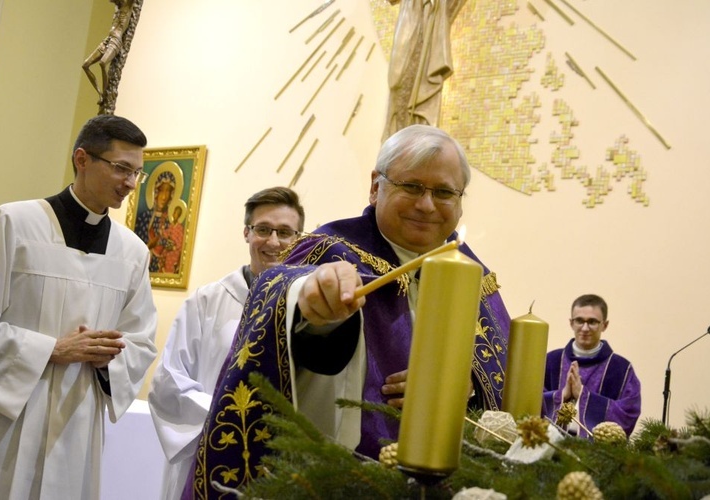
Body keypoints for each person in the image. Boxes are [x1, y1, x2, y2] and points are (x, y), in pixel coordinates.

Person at [184, 124, 510, 497]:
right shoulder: (330, 251)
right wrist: (313, 309)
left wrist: (463, 386)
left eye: (443, 192)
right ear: (376, 186)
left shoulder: (475, 275)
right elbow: (288, 300)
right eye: (412, 187)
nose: (426, 204)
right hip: (347, 476)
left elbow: (502, 378)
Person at [0, 114, 158, 498]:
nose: (129, 183)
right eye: (121, 168)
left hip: (78, 422)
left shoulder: (133, 253)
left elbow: (140, 342)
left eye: (137, 173)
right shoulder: (15, 223)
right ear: (82, 159)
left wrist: (111, 358)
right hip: (6, 421)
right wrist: (51, 350)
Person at [149, 187, 305, 500]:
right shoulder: (207, 301)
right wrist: (232, 419)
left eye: (285, 232)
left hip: (280, 462)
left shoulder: (307, 306)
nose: (273, 242)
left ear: (299, 238)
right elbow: (169, 383)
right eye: (263, 229)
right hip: (210, 453)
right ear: (247, 233)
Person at [542, 294, 641, 438]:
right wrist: (561, 395)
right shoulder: (551, 360)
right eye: (579, 321)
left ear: (604, 325)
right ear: (571, 323)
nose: (585, 328)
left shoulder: (621, 369)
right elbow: (530, 404)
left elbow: (628, 413)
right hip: (550, 449)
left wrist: (583, 395)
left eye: (592, 322)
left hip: (596, 454)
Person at [383, 0, 467, 140]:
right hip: (409, 16)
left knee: (421, 86)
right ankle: (395, 140)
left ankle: (417, 141)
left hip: (431, 19)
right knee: (398, 83)